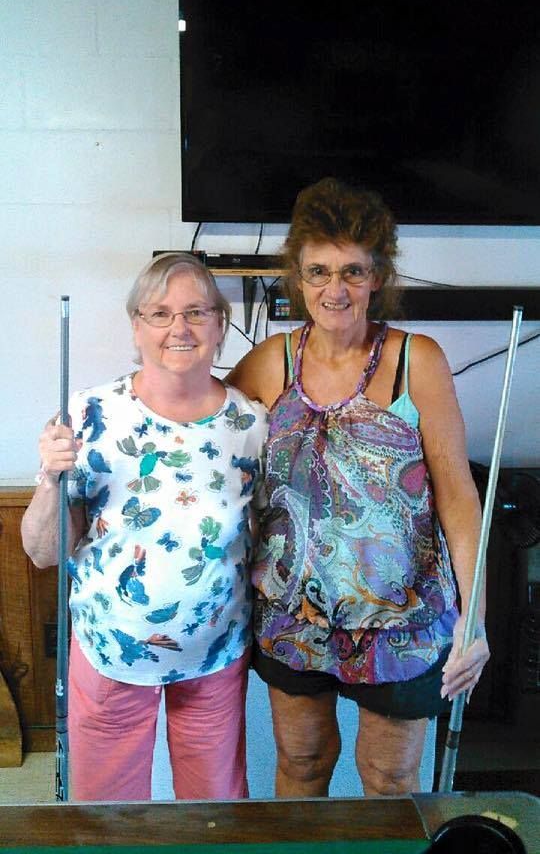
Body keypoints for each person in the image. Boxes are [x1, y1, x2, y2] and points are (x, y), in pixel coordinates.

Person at [227, 177, 490, 798]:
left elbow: (457, 497)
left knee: (390, 775)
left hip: (403, 618)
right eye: (318, 272)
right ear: (298, 275)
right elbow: (200, 434)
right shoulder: (271, 361)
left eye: (352, 271)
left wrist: (475, 616)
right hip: (293, 617)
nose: (334, 289)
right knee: (301, 764)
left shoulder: (415, 359)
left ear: (378, 275)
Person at [21, 252, 267, 802]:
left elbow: (268, 534)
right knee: (107, 820)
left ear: (221, 324)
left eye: (196, 312)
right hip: (112, 647)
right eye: (159, 313)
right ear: (137, 326)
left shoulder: (250, 423)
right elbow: (42, 552)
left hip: (216, 653)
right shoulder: (87, 416)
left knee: (214, 819)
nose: (178, 327)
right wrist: (49, 482)